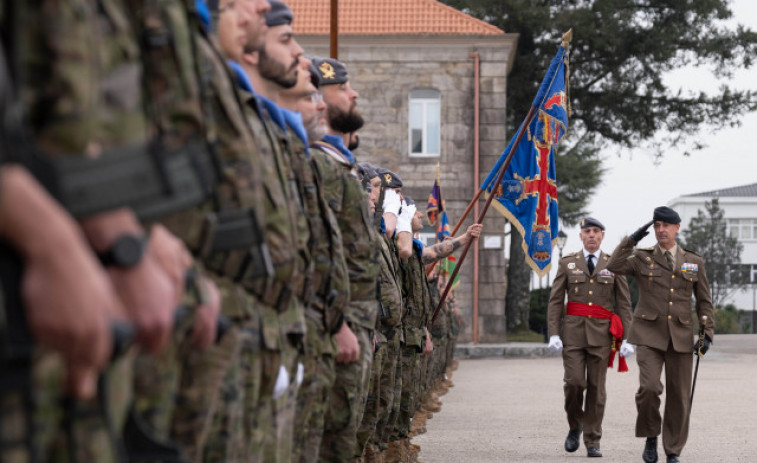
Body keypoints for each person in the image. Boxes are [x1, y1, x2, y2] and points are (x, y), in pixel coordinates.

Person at [309, 56, 380, 463]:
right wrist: (338, 321)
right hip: (333, 324)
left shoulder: (341, 165)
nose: (353, 94)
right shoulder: (321, 164)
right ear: (319, 100)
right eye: (343, 89)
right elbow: (319, 248)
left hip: (353, 320)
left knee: (343, 434)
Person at [606, 206, 715, 463]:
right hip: (648, 334)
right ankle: (651, 436)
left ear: (677, 228)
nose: (661, 230)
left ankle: (673, 450)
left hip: (681, 335)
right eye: (656, 226)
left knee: (679, 397)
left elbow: (704, 301)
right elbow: (613, 265)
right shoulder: (642, 257)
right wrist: (632, 238)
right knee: (649, 388)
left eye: (666, 225)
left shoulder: (693, 261)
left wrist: (707, 333)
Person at [546, 217, 633, 458]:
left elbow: (624, 303)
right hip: (573, 335)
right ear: (581, 236)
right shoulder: (567, 263)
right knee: (574, 383)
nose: (592, 235)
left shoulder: (614, 264)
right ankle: (575, 425)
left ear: (603, 236)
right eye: (587, 231)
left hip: (602, 337)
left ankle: (593, 440)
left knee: (597, 389)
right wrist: (554, 332)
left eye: (596, 231)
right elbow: (555, 301)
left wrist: (627, 336)